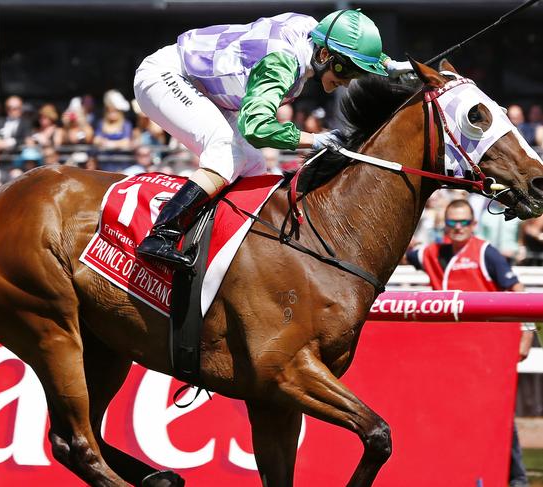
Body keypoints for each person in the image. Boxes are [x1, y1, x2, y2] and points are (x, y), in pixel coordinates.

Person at [133, 9, 411, 268]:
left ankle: (223, 244)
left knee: (254, 167)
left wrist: (389, 64)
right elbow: (256, 127)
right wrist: (314, 140)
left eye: (356, 73)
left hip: (203, 87)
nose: (349, 81)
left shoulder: (316, 33)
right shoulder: (281, 63)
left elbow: (349, 40)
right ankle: (161, 234)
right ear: (324, 55)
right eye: (347, 71)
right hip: (167, 77)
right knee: (224, 152)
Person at [406, 199, 534, 487]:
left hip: (485, 352)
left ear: (474, 225)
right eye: (452, 222)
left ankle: (517, 479)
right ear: (445, 226)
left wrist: (526, 336)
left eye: (464, 222)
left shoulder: (486, 253)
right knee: (450, 414)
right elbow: (404, 254)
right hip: (447, 353)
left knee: (497, 415)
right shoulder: (432, 253)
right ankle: (456, 473)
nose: (458, 227)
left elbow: (518, 292)